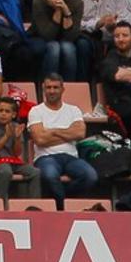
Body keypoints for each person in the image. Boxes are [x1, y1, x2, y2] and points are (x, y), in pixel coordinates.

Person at [27, 74, 97, 208]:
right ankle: (63, 209)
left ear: (62, 89)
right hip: (46, 157)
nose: (52, 91)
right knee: (50, 175)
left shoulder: (73, 110)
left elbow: (80, 133)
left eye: (55, 87)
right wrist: (67, 133)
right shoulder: (35, 111)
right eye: (48, 87)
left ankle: (64, 200)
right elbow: (40, 140)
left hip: (71, 157)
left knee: (90, 176)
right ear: (43, 89)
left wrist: (52, 131)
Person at [31, 0, 89, 82]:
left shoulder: (77, 3)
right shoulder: (38, 2)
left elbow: (71, 37)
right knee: (54, 48)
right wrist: (58, 11)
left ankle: (70, 86)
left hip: (65, 38)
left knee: (68, 48)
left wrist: (66, 11)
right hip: (39, 38)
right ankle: (49, 85)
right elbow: (48, 35)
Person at [0, 96, 42, 204]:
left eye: (7, 111)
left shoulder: (16, 127)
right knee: (6, 171)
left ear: (13, 115)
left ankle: (34, 204)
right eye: (1, 111)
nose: (3, 114)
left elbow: (17, 153)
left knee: (35, 172)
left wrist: (17, 138)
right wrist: (6, 136)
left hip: (13, 161)